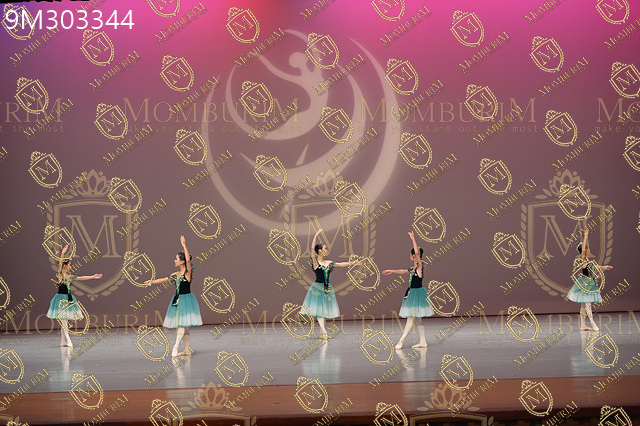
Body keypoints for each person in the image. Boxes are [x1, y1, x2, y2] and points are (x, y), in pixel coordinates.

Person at [146, 236, 202, 356]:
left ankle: (175, 347)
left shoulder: (187, 273)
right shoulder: (175, 274)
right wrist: (151, 282)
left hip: (186, 300)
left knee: (182, 325)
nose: (174, 260)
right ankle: (186, 349)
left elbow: (188, 261)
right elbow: (164, 279)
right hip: (178, 300)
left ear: (181, 262)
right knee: (184, 326)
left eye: (176, 259)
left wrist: (184, 245)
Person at [302, 229, 358, 339]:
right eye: (325, 248)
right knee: (319, 310)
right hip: (318, 288)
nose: (327, 250)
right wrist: (316, 235)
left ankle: (321, 333)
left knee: (322, 311)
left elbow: (341, 264)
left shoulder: (328, 262)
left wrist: (353, 263)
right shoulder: (315, 262)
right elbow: (312, 249)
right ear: (320, 251)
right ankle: (324, 332)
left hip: (326, 288)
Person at [382, 231, 433, 349]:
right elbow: (403, 271)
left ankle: (402, 340)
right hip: (413, 294)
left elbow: (417, 252)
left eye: (411, 255)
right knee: (418, 319)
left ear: (414, 256)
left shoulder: (419, 265)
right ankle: (423, 341)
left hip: (417, 294)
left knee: (411, 317)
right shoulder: (413, 268)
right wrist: (392, 271)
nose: (410, 256)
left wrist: (413, 238)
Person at [46, 245, 102, 347]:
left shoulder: (69, 276)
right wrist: (62, 253)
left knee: (64, 321)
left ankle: (63, 341)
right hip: (60, 299)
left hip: (68, 299)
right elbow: (60, 264)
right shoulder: (60, 274)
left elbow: (81, 278)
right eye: (69, 265)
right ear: (65, 266)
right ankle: (68, 340)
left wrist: (93, 276)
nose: (70, 266)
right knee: (64, 321)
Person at [566, 229, 613, 331]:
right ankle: (592, 323)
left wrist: (605, 267)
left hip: (589, 283)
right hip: (585, 284)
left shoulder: (587, 261)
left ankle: (583, 325)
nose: (588, 249)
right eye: (587, 248)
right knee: (588, 304)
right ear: (586, 250)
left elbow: (595, 268)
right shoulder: (583, 260)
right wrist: (586, 236)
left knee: (584, 305)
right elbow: (583, 251)